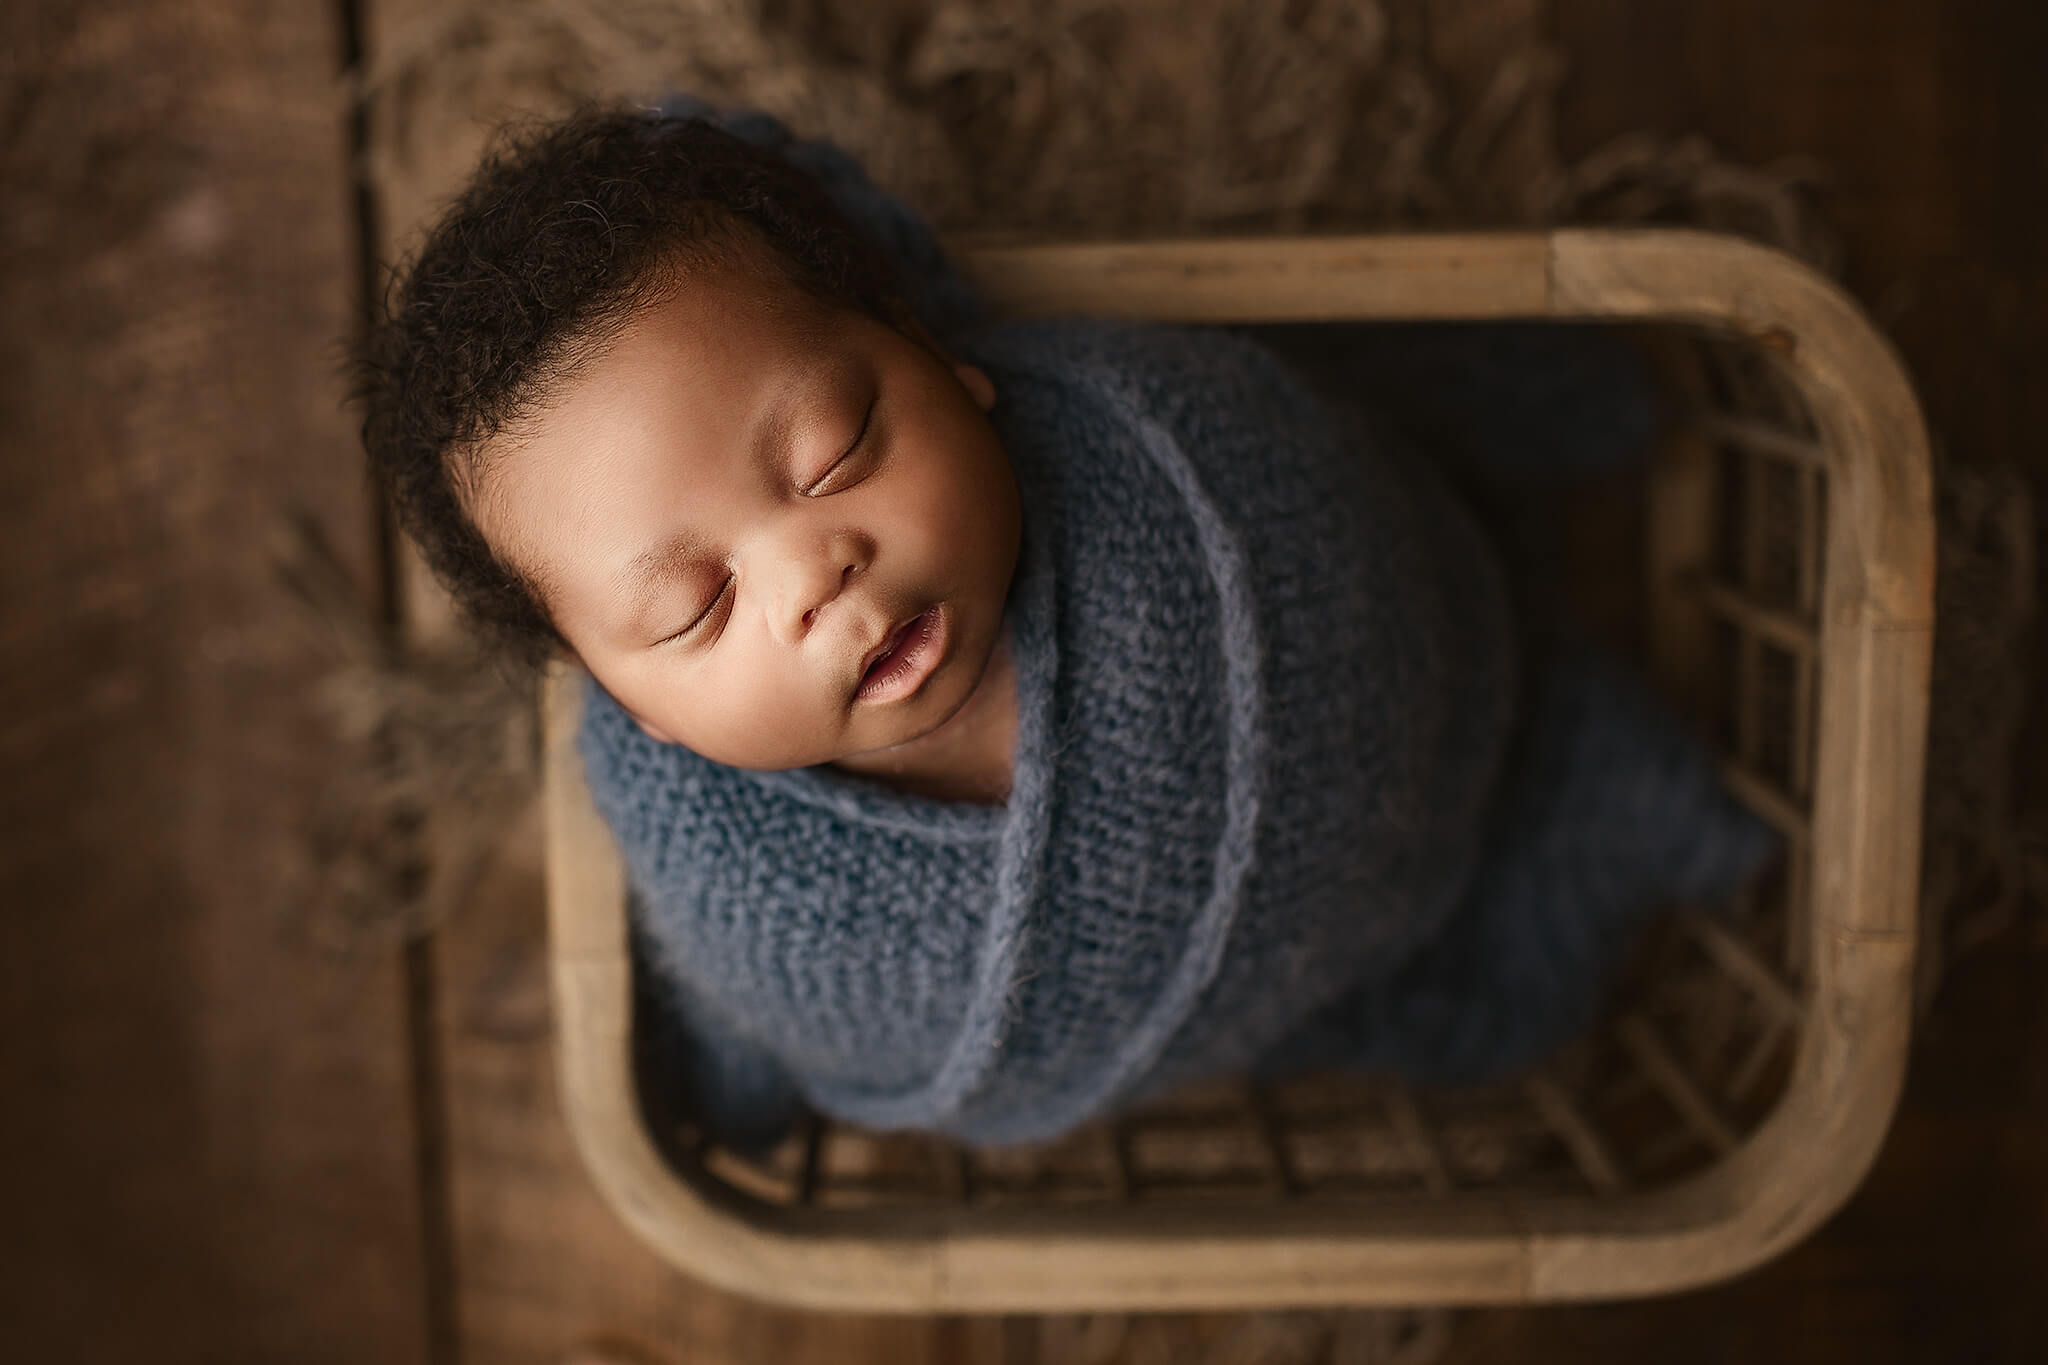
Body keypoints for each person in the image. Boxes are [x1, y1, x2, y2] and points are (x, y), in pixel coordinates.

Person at [355, 101, 1771, 1149]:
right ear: (638, 709)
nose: (815, 573)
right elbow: (763, 1012)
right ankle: (1567, 796)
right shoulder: (729, 879)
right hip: (1330, 955)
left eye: (838, 446)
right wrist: (740, 1060)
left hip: (1428, 683)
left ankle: (1544, 732)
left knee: (1434, 506)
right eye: (698, 606)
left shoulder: (1157, 443)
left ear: (943, 360)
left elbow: (1329, 511)